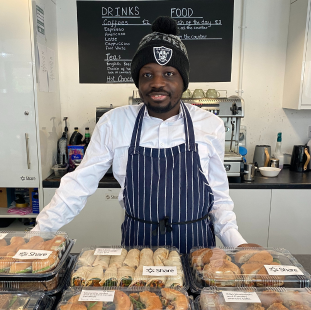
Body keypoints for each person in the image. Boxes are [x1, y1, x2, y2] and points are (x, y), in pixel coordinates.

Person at [32, 16, 254, 253]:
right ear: (138, 80)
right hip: (137, 252)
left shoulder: (210, 125)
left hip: (197, 249)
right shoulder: (114, 122)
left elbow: (217, 198)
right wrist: (39, 234)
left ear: (183, 81)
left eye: (169, 73)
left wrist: (238, 245)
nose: (158, 83)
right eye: (148, 74)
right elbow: (78, 184)